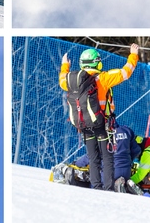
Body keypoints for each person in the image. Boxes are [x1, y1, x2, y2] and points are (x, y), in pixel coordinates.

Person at [59, 44, 139, 191]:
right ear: (97, 62)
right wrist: (133, 55)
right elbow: (126, 72)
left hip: (84, 125)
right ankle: (107, 188)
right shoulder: (104, 78)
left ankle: (96, 186)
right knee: (107, 157)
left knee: (93, 157)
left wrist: (65, 65)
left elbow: (62, 79)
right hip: (103, 124)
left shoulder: (73, 82)